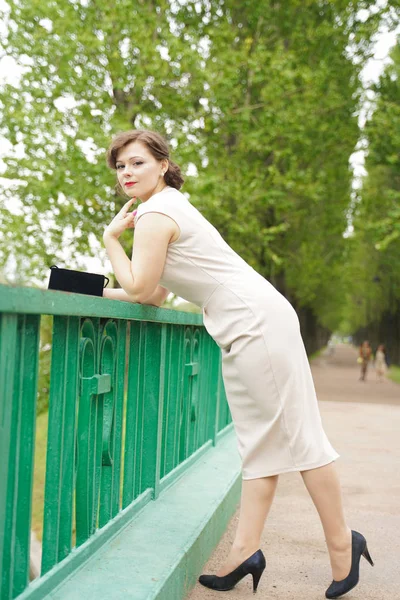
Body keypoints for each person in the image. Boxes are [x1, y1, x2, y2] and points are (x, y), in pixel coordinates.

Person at [103, 129, 374, 599]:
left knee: (303, 440)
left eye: (137, 163)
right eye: (120, 167)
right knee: (260, 445)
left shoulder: (154, 214)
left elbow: (143, 288)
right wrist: (89, 290)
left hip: (254, 326)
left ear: (163, 165)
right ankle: (243, 553)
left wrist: (110, 240)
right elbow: (159, 292)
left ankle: (342, 546)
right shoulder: (167, 209)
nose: (126, 173)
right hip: (251, 324)